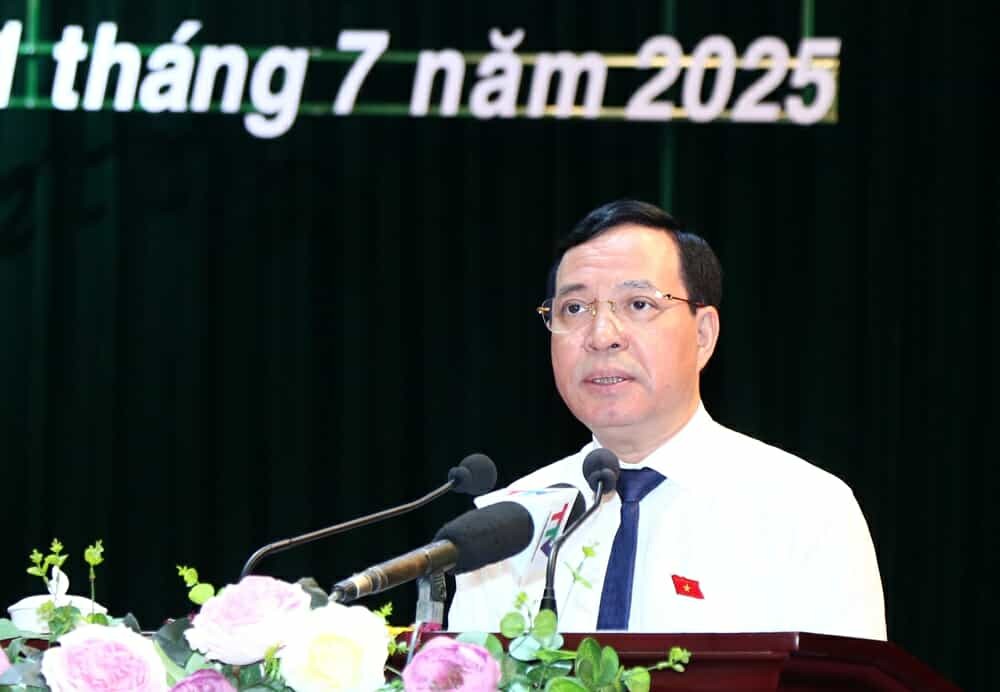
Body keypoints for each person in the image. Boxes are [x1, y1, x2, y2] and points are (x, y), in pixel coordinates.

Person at [448, 200, 886, 640]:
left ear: (703, 335)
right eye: (575, 309)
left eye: (638, 304)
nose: (601, 336)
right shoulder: (508, 524)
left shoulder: (804, 509)